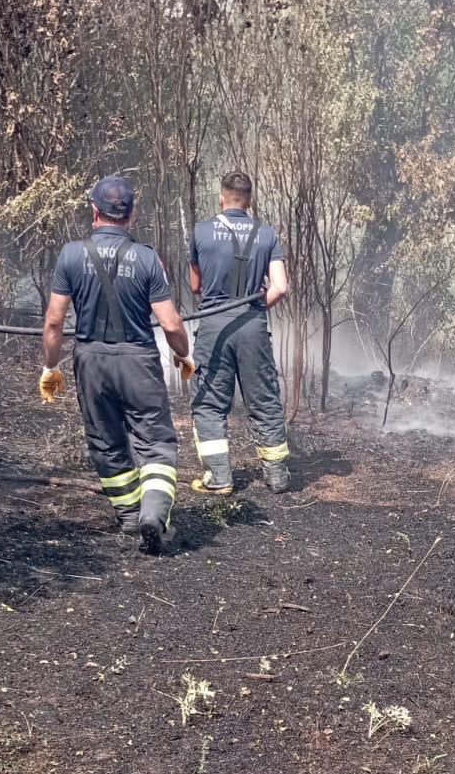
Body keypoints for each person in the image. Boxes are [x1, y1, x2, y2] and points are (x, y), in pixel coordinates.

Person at [41, 175, 193, 555]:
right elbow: (171, 323)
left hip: (91, 362)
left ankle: (128, 515)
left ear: (94, 211)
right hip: (138, 361)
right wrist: (183, 355)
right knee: (156, 442)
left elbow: (54, 322)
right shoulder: (146, 258)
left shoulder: (71, 255)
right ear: (131, 215)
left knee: (106, 442)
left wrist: (50, 367)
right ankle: (153, 515)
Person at [188, 170, 289, 496]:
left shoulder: (201, 232)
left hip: (214, 326)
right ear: (250, 201)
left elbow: (195, 286)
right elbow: (280, 287)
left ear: (222, 198)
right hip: (253, 326)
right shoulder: (267, 234)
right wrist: (257, 308)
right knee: (264, 399)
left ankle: (220, 478)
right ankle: (276, 477)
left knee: (210, 403)